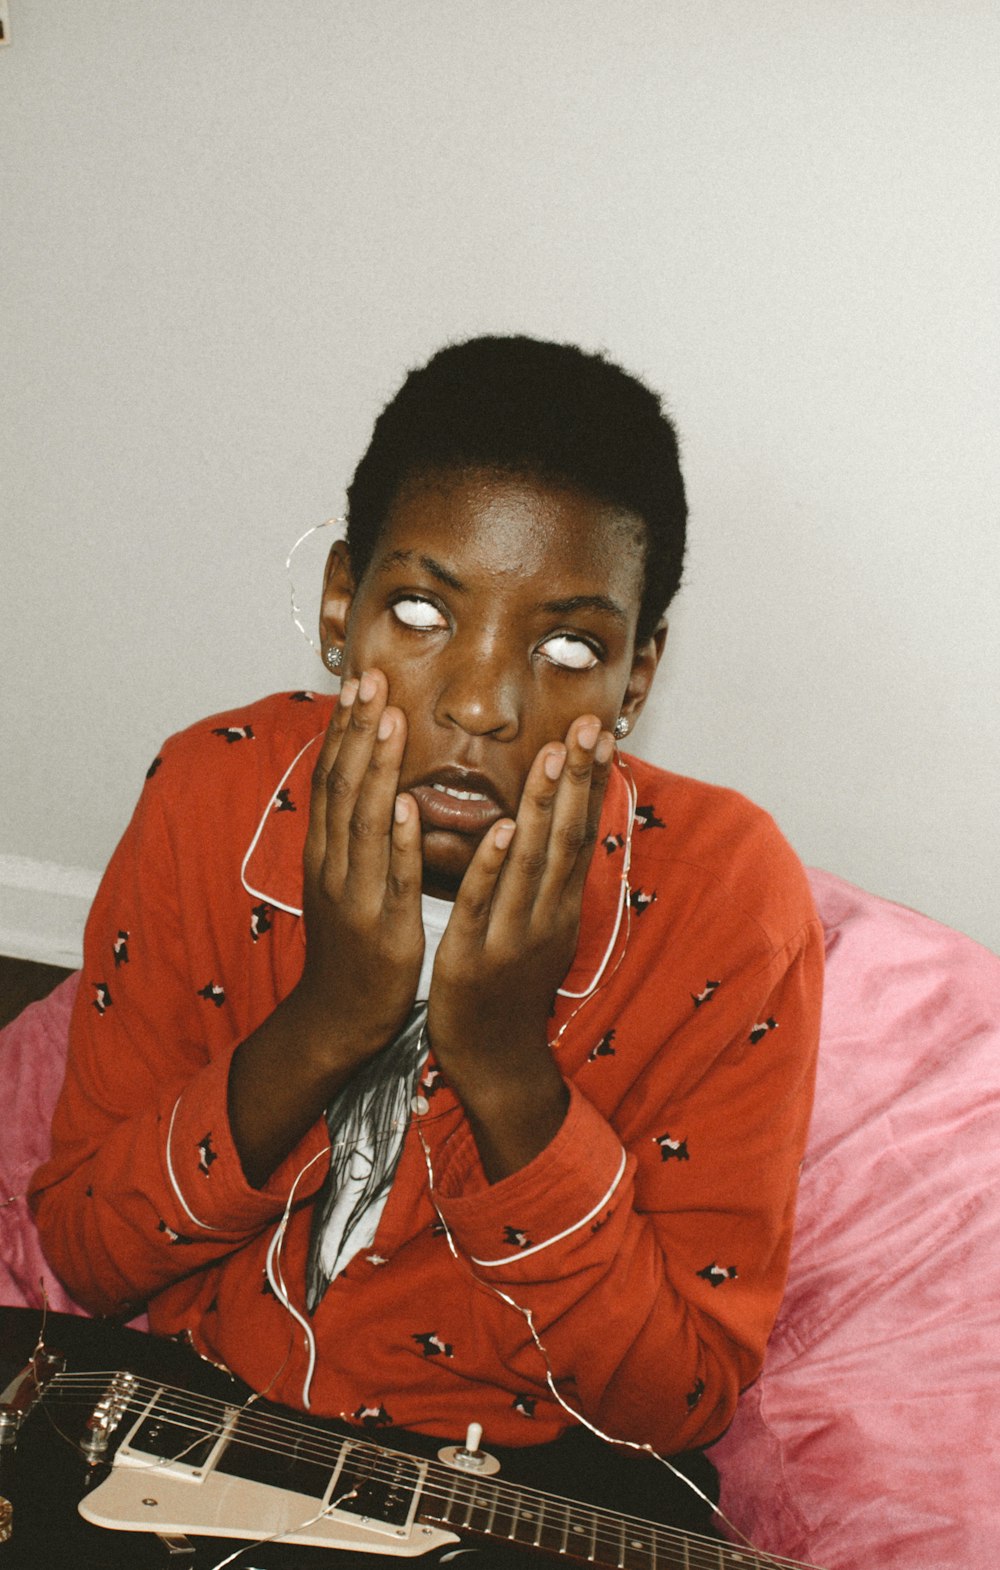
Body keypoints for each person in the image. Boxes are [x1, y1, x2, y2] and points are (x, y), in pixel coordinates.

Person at [30, 336, 823, 1553]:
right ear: (341, 608)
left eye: (568, 648)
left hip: (528, 1489)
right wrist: (331, 1019)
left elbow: (676, 1397)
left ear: (635, 677)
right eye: (421, 612)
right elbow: (90, 1252)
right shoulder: (208, 793)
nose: (480, 702)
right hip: (187, 1438)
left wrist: (506, 1073)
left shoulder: (730, 900)